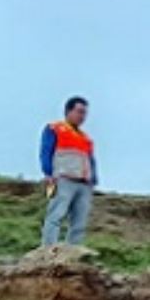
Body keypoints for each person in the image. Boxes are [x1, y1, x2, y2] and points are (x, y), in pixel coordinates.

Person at [40, 96, 97, 247]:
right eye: (79, 112)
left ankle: (73, 252)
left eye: (84, 113)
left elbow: (91, 160)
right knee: (56, 215)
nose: (82, 116)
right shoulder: (55, 129)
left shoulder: (86, 138)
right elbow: (46, 151)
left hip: (83, 183)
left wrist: (93, 180)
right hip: (62, 179)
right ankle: (48, 249)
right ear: (68, 111)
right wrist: (48, 173)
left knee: (79, 221)